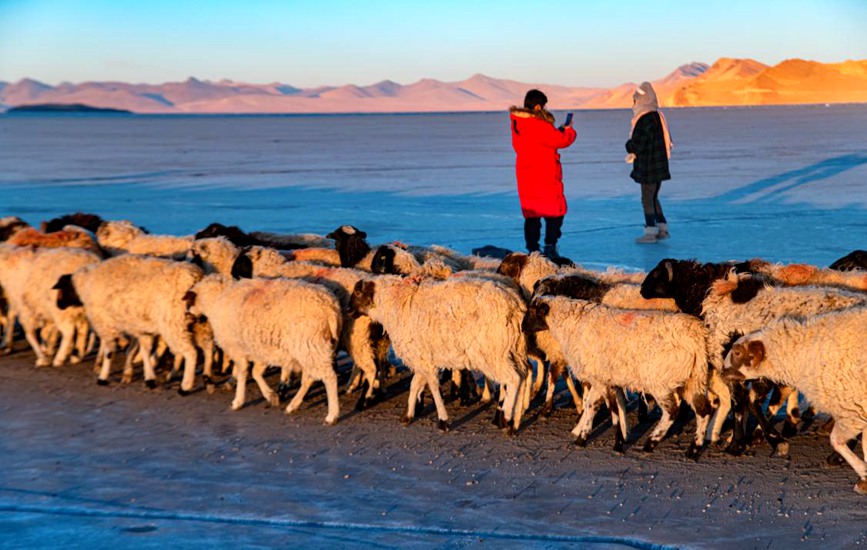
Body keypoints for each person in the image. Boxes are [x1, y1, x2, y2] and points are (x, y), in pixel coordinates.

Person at [509, 89, 577, 263]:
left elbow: (545, 138)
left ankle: (533, 250)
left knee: (532, 214)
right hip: (544, 173)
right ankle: (550, 247)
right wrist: (568, 131)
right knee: (555, 211)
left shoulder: (518, 123)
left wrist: (557, 130)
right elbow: (560, 140)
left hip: (526, 174)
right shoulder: (538, 124)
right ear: (538, 106)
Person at [625, 81, 673, 244]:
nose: (634, 104)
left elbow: (638, 144)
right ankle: (662, 229)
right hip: (658, 165)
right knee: (653, 197)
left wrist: (629, 145)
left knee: (647, 199)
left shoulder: (644, 119)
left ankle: (651, 231)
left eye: (635, 100)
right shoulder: (657, 117)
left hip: (649, 167)